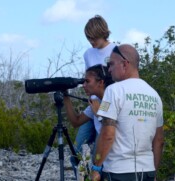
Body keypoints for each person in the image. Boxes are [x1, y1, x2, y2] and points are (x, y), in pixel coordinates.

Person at [91, 44, 164, 181]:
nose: (109, 70)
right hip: (147, 170)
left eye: (111, 64)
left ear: (124, 64)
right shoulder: (154, 95)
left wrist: (96, 167)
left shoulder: (113, 90)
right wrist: (153, 172)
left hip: (118, 171)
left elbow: (107, 134)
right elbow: (159, 140)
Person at [70, 14, 116, 175]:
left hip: (108, 104)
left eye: (93, 37)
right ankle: (82, 177)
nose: (91, 41)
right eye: (88, 38)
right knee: (75, 150)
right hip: (93, 104)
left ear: (102, 33)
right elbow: (88, 77)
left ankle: (97, 175)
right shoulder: (88, 54)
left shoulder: (115, 51)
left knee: (100, 149)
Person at [63, 64, 114, 176]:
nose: (84, 85)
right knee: (76, 156)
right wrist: (66, 97)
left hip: (111, 147)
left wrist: (98, 114)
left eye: (87, 81)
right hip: (103, 142)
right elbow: (76, 121)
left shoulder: (110, 99)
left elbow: (110, 129)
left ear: (100, 82)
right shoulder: (96, 100)